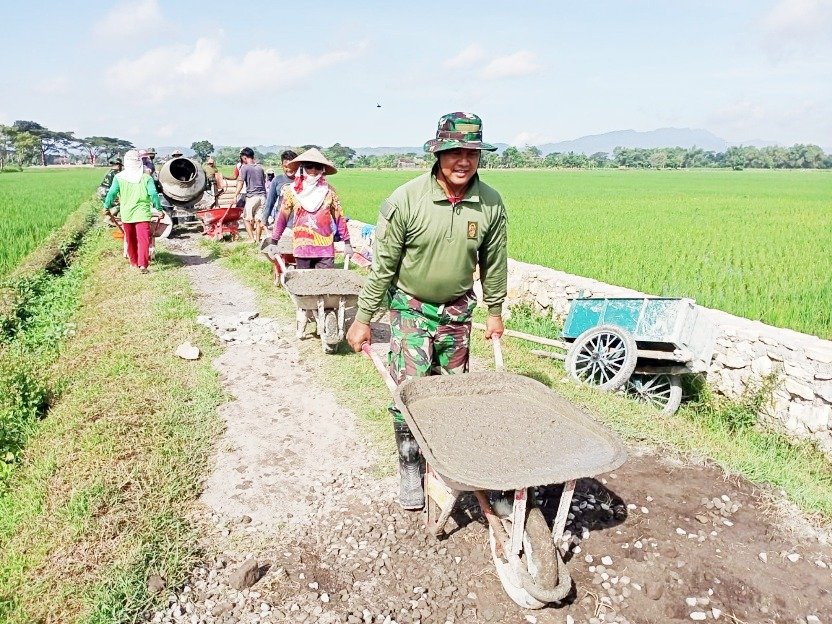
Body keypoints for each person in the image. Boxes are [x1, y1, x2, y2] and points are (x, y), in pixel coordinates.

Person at [346, 112, 507, 510]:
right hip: (412, 312)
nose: (463, 161)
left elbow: (494, 261)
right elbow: (382, 267)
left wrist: (495, 310)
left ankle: (452, 465)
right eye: (455, 151)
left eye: (472, 152)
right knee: (409, 393)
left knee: (454, 394)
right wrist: (363, 319)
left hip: (458, 313)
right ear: (438, 153)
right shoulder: (406, 201)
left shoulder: (490, 204)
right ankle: (409, 466)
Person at [271, 148, 352, 269]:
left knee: (326, 282)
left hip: (325, 249)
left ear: (322, 170)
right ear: (302, 169)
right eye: (309, 167)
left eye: (317, 167)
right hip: (302, 247)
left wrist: (347, 243)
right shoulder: (292, 192)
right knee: (305, 283)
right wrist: (274, 242)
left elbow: (339, 218)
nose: (313, 170)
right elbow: (282, 217)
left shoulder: (329, 192)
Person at [103, 149, 163, 274]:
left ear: (126, 163)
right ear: (140, 162)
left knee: (130, 239)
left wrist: (106, 207)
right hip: (142, 214)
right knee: (143, 239)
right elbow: (153, 194)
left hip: (127, 214)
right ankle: (143, 265)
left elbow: (112, 193)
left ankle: (134, 263)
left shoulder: (119, 177)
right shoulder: (146, 178)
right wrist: (159, 209)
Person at [234, 147, 267, 243]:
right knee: (258, 219)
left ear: (244, 158)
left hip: (252, 196)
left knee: (246, 218)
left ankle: (252, 239)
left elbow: (240, 183)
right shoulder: (260, 167)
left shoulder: (244, 168)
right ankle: (257, 240)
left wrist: (235, 195)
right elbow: (263, 182)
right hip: (263, 197)